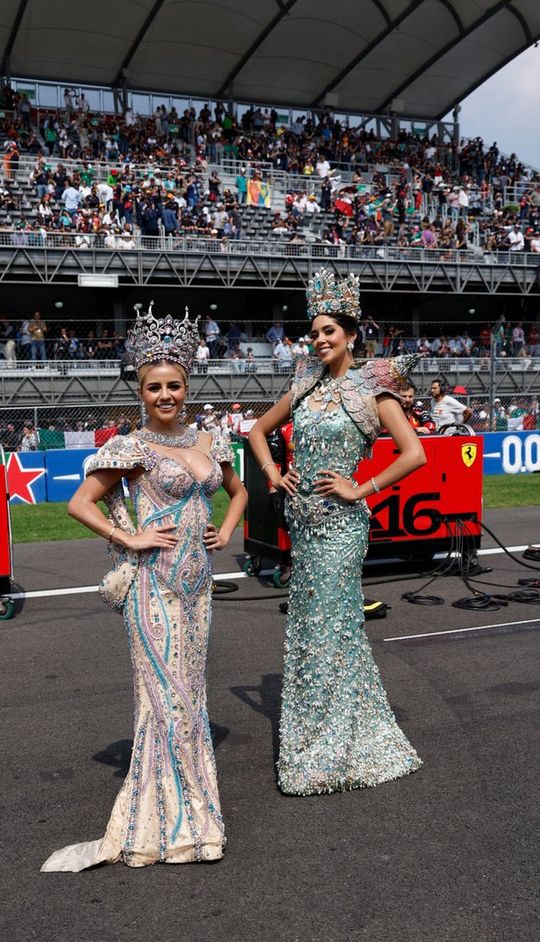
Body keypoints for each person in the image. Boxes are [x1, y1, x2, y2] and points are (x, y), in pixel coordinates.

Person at [41, 306, 247, 872]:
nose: (165, 395)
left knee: (192, 696)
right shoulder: (129, 449)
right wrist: (128, 536)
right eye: (154, 387)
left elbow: (238, 492)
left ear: (187, 386)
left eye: (174, 385)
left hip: (197, 589)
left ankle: (196, 820)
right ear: (141, 390)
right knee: (165, 700)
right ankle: (163, 823)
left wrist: (224, 531)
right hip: (152, 588)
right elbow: (80, 504)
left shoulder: (210, 438)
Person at [248, 269, 426, 795]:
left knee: (328, 628)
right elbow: (258, 431)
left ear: (351, 334)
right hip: (302, 526)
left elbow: (413, 453)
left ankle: (330, 745)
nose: (320, 340)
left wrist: (361, 487)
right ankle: (329, 731)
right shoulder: (304, 384)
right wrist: (276, 474)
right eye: (315, 332)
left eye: (329, 331)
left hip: (343, 528)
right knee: (316, 628)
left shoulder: (374, 387)